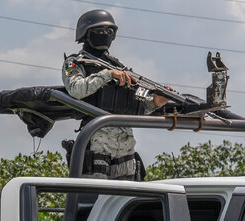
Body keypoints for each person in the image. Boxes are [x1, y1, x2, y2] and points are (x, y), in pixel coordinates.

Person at [63, 10, 169, 180]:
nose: (105, 35)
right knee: (95, 200)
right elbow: (76, 89)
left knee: (125, 200)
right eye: (100, 31)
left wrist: (155, 103)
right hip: (97, 140)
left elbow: (134, 107)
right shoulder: (75, 62)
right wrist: (107, 75)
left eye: (109, 31)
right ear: (86, 33)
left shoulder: (119, 66)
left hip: (125, 145)